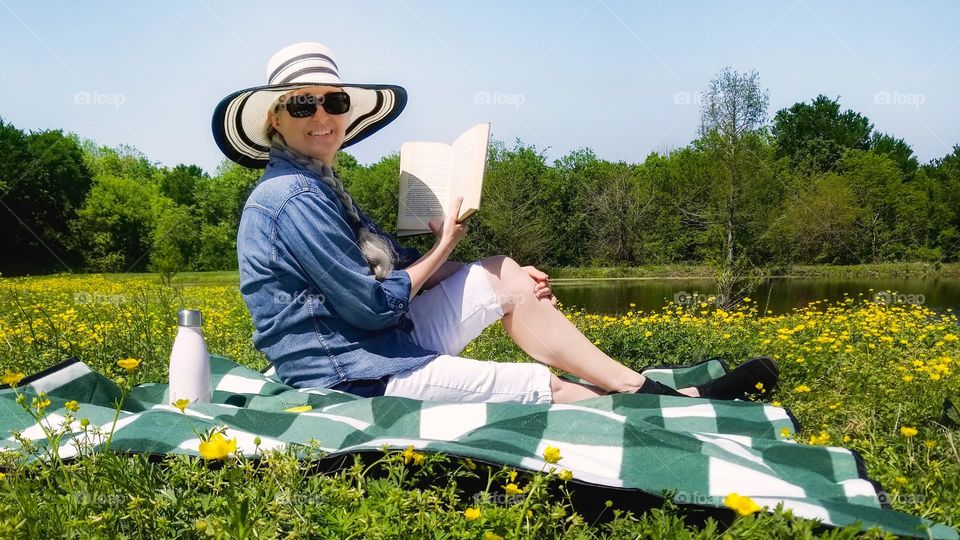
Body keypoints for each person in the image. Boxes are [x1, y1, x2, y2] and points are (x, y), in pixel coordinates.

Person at [213, 42, 778, 404]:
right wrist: (446, 249)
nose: (322, 118)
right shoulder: (290, 197)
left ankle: (630, 383)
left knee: (506, 272)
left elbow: (394, 281)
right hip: (348, 368)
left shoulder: (319, 185)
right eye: (302, 105)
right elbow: (371, 303)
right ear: (275, 120)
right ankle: (661, 402)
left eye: (332, 102)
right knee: (542, 387)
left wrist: (464, 259)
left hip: (375, 343)